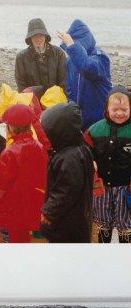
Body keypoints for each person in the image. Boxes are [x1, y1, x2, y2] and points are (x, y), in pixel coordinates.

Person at [0, 104, 47, 243]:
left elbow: (0, 181)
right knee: (23, 235)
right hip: (31, 200)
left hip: (11, 204)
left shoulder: (10, 152)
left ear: (11, 127)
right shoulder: (39, 146)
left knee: (13, 236)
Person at [40, 102, 94, 243]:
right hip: (79, 217)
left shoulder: (68, 158)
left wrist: (49, 212)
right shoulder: (79, 148)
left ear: (59, 132)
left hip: (67, 223)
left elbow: (66, 191)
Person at [87, 86, 131, 243]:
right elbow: (86, 151)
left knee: (125, 223)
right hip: (102, 187)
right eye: (115, 109)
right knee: (102, 221)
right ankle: (103, 252)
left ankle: (125, 254)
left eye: (124, 109)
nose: (120, 113)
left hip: (126, 187)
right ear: (106, 108)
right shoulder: (95, 130)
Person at [58, 19, 111, 130]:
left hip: (99, 118)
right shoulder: (70, 61)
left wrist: (72, 46)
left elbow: (87, 68)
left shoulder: (100, 57)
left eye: (77, 42)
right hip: (78, 119)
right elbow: (69, 90)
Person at [15, 18, 66, 96]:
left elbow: (64, 81)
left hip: (55, 100)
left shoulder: (58, 53)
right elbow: (21, 86)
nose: (38, 38)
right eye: (34, 35)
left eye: (41, 35)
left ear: (45, 36)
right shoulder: (21, 58)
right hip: (32, 101)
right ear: (30, 37)